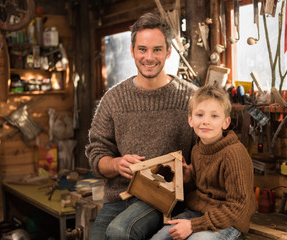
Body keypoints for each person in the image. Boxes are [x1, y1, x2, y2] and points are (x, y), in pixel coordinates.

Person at [85, 12, 198, 240]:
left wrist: (192, 174)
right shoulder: (114, 99)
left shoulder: (191, 98)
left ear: (167, 52)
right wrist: (116, 164)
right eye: (142, 49)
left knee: (119, 233)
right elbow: (97, 155)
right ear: (132, 51)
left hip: (167, 199)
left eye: (157, 49)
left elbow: (209, 154)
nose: (149, 57)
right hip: (120, 198)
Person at [151, 85, 255, 240]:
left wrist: (193, 226)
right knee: (160, 238)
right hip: (197, 213)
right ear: (190, 120)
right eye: (200, 115)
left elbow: (238, 207)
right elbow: (202, 191)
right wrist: (188, 180)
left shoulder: (234, 154)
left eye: (214, 116)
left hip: (227, 221)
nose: (205, 121)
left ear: (225, 123)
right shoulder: (197, 149)